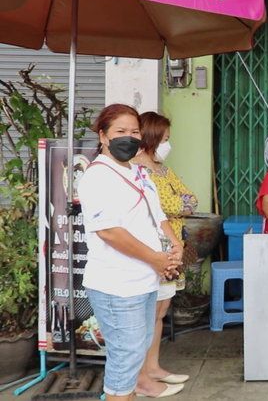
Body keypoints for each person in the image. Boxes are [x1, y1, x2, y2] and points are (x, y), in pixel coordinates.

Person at [78, 104, 184, 400]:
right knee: (126, 359)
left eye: (134, 131)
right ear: (103, 136)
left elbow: (158, 214)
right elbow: (110, 231)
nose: (129, 137)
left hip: (143, 280)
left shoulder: (139, 172)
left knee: (136, 353)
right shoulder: (98, 177)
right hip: (117, 286)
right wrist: (157, 259)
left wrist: (174, 245)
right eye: (120, 131)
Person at [132, 111, 198, 397]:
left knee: (160, 310)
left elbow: (190, 198)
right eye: (165, 139)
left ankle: (154, 366)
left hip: (173, 246)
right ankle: (141, 375)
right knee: (147, 312)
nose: (167, 144)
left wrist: (181, 203)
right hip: (151, 248)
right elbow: (165, 203)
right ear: (151, 137)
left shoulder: (161, 167)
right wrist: (179, 203)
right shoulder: (137, 168)